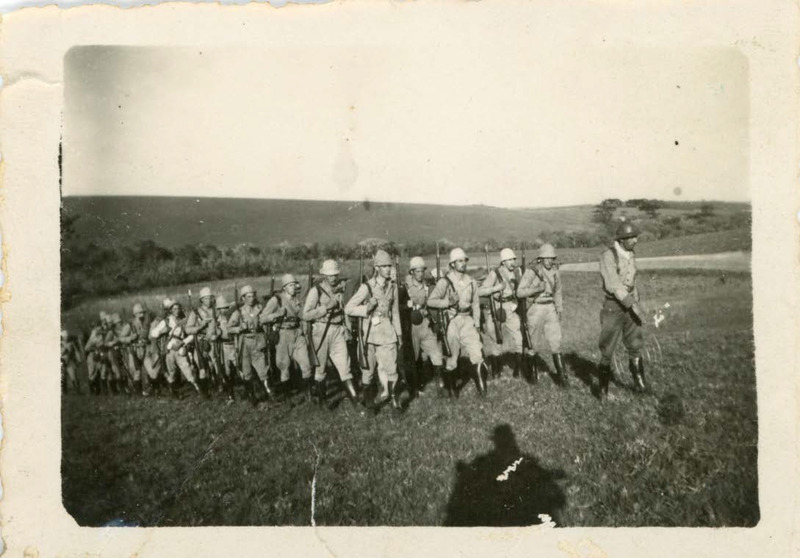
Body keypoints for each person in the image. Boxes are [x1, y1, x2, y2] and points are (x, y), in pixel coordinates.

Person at [427, 247, 489, 396]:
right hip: (452, 320)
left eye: (464, 260)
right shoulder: (445, 282)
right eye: (459, 261)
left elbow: (475, 305)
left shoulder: (471, 282)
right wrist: (448, 302)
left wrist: (477, 324)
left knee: (477, 353)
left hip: (467, 320)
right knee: (452, 357)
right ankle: (452, 390)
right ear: (452, 264)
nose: (463, 263)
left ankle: (482, 390)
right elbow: (431, 301)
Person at [345, 250, 402, 409]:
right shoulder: (367, 287)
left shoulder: (393, 287)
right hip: (369, 335)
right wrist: (366, 309)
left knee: (392, 370)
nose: (388, 269)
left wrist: (399, 334)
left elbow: (395, 312)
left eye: (389, 266)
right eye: (384, 266)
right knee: (368, 373)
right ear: (376, 268)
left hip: (387, 334)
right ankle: (369, 405)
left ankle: (395, 405)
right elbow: (348, 308)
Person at [597, 222, 648, 397]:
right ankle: (602, 392)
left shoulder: (631, 254)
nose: (635, 240)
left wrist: (637, 301)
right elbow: (613, 284)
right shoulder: (608, 256)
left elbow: (632, 281)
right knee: (607, 348)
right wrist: (631, 304)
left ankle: (640, 385)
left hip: (630, 303)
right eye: (631, 237)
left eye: (636, 237)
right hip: (613, 306)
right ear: (621, 239)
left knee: (635, 344)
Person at [302, 259, 356, 406]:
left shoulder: (340, 289)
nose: (333, 278)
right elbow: (306, 315)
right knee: (320, 369)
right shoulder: (316, 291)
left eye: (335, 275)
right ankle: (322, 403)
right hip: (321, 331)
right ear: (324, 276)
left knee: (345, 366)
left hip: (338, 330)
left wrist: (347, 328)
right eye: (330, 275)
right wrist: (325, 308)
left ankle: (356, 402)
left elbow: (344, 310)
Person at [516, 243, 568, 386]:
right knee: (532, 345)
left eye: (552, 258)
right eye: (547, 258)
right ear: (541, 258)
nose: (549, 261)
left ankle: (563, 378)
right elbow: (519, 292)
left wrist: (559, 309)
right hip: (536, 308)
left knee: (556, 342)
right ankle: (532, 377)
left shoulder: (555, 272)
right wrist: (536, 289)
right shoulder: (532, 272)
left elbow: (558, 292)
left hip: (550, 307)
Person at [261, 274, 314, 403]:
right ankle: (287, 399)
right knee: (284, 368)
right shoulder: (276, 300)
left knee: (306, 364)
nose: (293, 287)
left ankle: (309, 396)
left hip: (297, 334)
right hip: (283, 335)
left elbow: (302, 315)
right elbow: (262, 318)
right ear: (284, 287)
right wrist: (277, 314)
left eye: (294, 285)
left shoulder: (297, 299)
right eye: (290, 285)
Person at [403, 256, 447, 396]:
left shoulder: (427, 286)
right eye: (417, 271)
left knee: (436, 354)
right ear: (412, 272)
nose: (420, 274)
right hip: (412, 327)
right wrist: (408, 306)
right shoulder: (405, 287)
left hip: (425, 325)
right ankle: (415, 388)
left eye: (422, 271)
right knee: (414, 358)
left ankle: (441, 387)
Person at [479, 248, 524, 378]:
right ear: (503, 262)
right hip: (497, 308)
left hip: (511, 307)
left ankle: (517, 370)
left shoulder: (516, 273)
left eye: (513, 259)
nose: (512, 262)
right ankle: (496, 372)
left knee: (519, 339)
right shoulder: (495, 274)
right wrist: (496, 288)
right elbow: (481, 291)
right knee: (496, 341)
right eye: (509, 260)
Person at [227, 285, 272, 406]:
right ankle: (252, 397)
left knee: (263, 369)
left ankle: (267, 394)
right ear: (243, 298)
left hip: (258, 340)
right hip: (245, 343)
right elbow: (229, 328)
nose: (251, 299)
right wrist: (239, 328)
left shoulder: (260, 308)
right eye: (248, 297)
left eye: (253, 296)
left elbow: (265, 321)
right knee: (246, 371)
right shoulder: (239, 312)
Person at [150, 298, 202, 398]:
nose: (177, 311)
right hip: (169, 350)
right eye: (174, 309)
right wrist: (163, 331)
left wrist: (183, 342)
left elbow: (191, 334)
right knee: (171, 372)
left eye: (178, 308)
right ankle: (174, 393)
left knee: (187, 368)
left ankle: (199, 390)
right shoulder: (166, 321)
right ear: (170, 310)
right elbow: (153, 333)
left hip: (181, 348)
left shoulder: (184, 320)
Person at [185, 287, 220, 398]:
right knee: (202, 367)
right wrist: (200, 326)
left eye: (210, 298)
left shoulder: (216, 309)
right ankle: (205, 393)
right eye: (206, 298)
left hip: (215, 340)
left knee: (217, 365)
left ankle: (220, 388)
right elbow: (188, 329)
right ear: (201, 300)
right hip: (201, 342)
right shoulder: (195, 313)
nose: (209, 300)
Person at [213, 295, 239, 401]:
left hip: (235, 344)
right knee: (226, 371)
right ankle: (230, 394)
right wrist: (216, 333)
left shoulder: (234, 316)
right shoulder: (217, 319)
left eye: (224, 308)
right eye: (220, 309)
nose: (222, 311)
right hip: (223, 346)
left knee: (240, 367)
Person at [84, 313, 109, 395]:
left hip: (101, 355)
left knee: (103, 371)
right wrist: (95, 349)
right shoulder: (93, 336)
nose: (99, 328)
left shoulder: (102, 334)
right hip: (92, 356)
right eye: (97, 327)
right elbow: (86, 348)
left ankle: (105, 391)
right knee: (93, 373)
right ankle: (93, 391)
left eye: (99, 327)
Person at [60, 329, 82, 394]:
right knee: (63, 377)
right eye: (65, 336)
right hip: (62, 362)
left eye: (67, 336)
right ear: (62, 337)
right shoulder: (60, 343)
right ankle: (64, 391)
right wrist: (65, 349)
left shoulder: (71, 343)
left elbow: (76, 351)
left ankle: (78, 391)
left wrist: (79, 359)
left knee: (74, 376)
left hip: (69, 361)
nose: (66, 337)